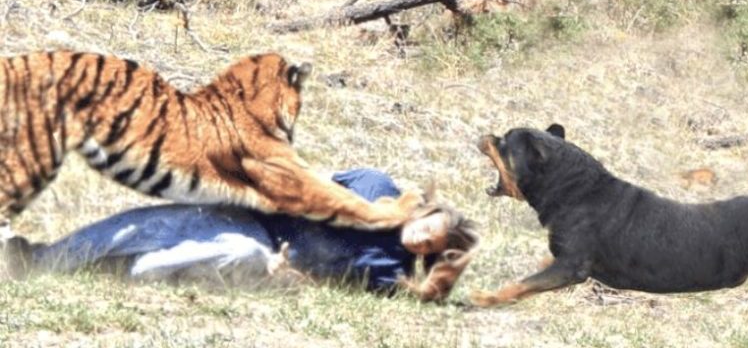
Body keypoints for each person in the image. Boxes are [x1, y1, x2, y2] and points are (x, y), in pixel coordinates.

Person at [0, 169, 478, 302]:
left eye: (429, 247)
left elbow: (330, 284)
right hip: (251, 216)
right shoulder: (375, 187)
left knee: (198, 256)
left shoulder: (390, 271)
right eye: (425, 229)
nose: (418, 240)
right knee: (149, 225)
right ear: (425, 209)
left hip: (261, 253)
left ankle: (105, 272)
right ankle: (38, 259)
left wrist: (291, 275)